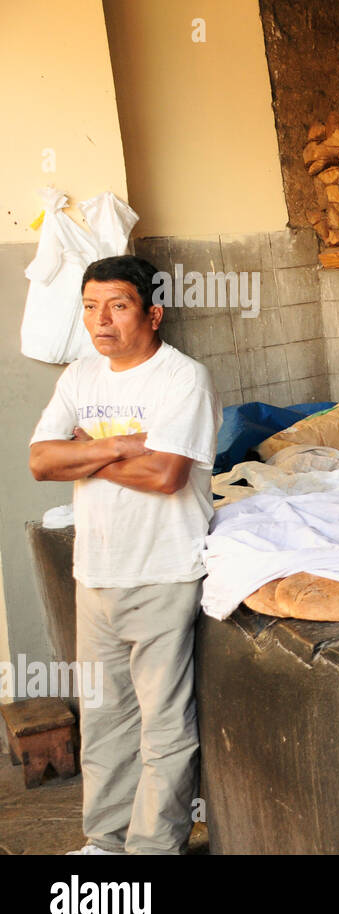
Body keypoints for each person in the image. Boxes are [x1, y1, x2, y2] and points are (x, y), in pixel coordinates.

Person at [28, 254, 221, 855]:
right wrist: (128, 446)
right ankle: (104, 844)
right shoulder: (80, 378)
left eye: (118, 306)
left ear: (153, 313)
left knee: (162, 726)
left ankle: (150, 849)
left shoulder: (182, 378)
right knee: (105, 722)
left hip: (163, 570)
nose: (100, 321)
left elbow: (166, 475)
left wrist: (89, 449)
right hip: (96, 573)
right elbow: (40, 461)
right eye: (90, 307)